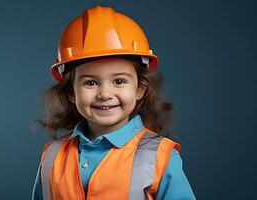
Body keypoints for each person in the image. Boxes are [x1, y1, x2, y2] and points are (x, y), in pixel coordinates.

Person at [32, 6, 196, 200]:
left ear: (139, 89)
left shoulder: (160, 157)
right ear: (71, 92)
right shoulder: (52, 156)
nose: (105, 94)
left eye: (119, 81)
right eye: (90, 83)